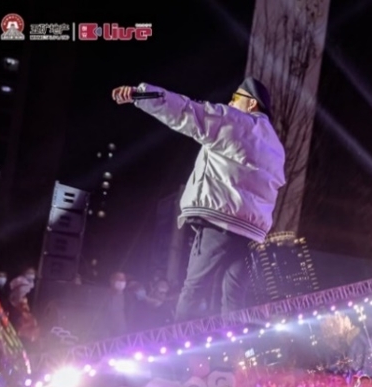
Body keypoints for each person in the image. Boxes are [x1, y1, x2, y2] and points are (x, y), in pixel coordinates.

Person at [112, 76, 285, 320]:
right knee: (235, 300)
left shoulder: (235, 121)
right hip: (253, 235)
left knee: (194, 289)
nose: (230, 103)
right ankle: (232, 343)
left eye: (235, 98)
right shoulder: (277, 147)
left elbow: (187, 111)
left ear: (251, 103)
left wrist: (140, 94)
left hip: (221, 222)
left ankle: (178, 341)